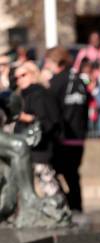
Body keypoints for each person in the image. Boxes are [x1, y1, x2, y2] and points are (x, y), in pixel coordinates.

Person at [45, 47, 89, 215]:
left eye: (48, 61)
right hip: (78, 137)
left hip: (63, 138)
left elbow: (52, 110)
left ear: (55, 62)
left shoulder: (56, 82)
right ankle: (76, 206)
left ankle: (68, 205)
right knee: (72, 174)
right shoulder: (79, 80)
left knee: (50, 172)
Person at [14, 61, 66, 203]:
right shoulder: (23, 95)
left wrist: (24, 117)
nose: (19, 80)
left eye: (23, 75)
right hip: (26, 147)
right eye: (16, 77)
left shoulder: (40, 93)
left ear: (32, 74)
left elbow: (47, 120)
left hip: (41, 147)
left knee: (47, 181)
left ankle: (60, 209)